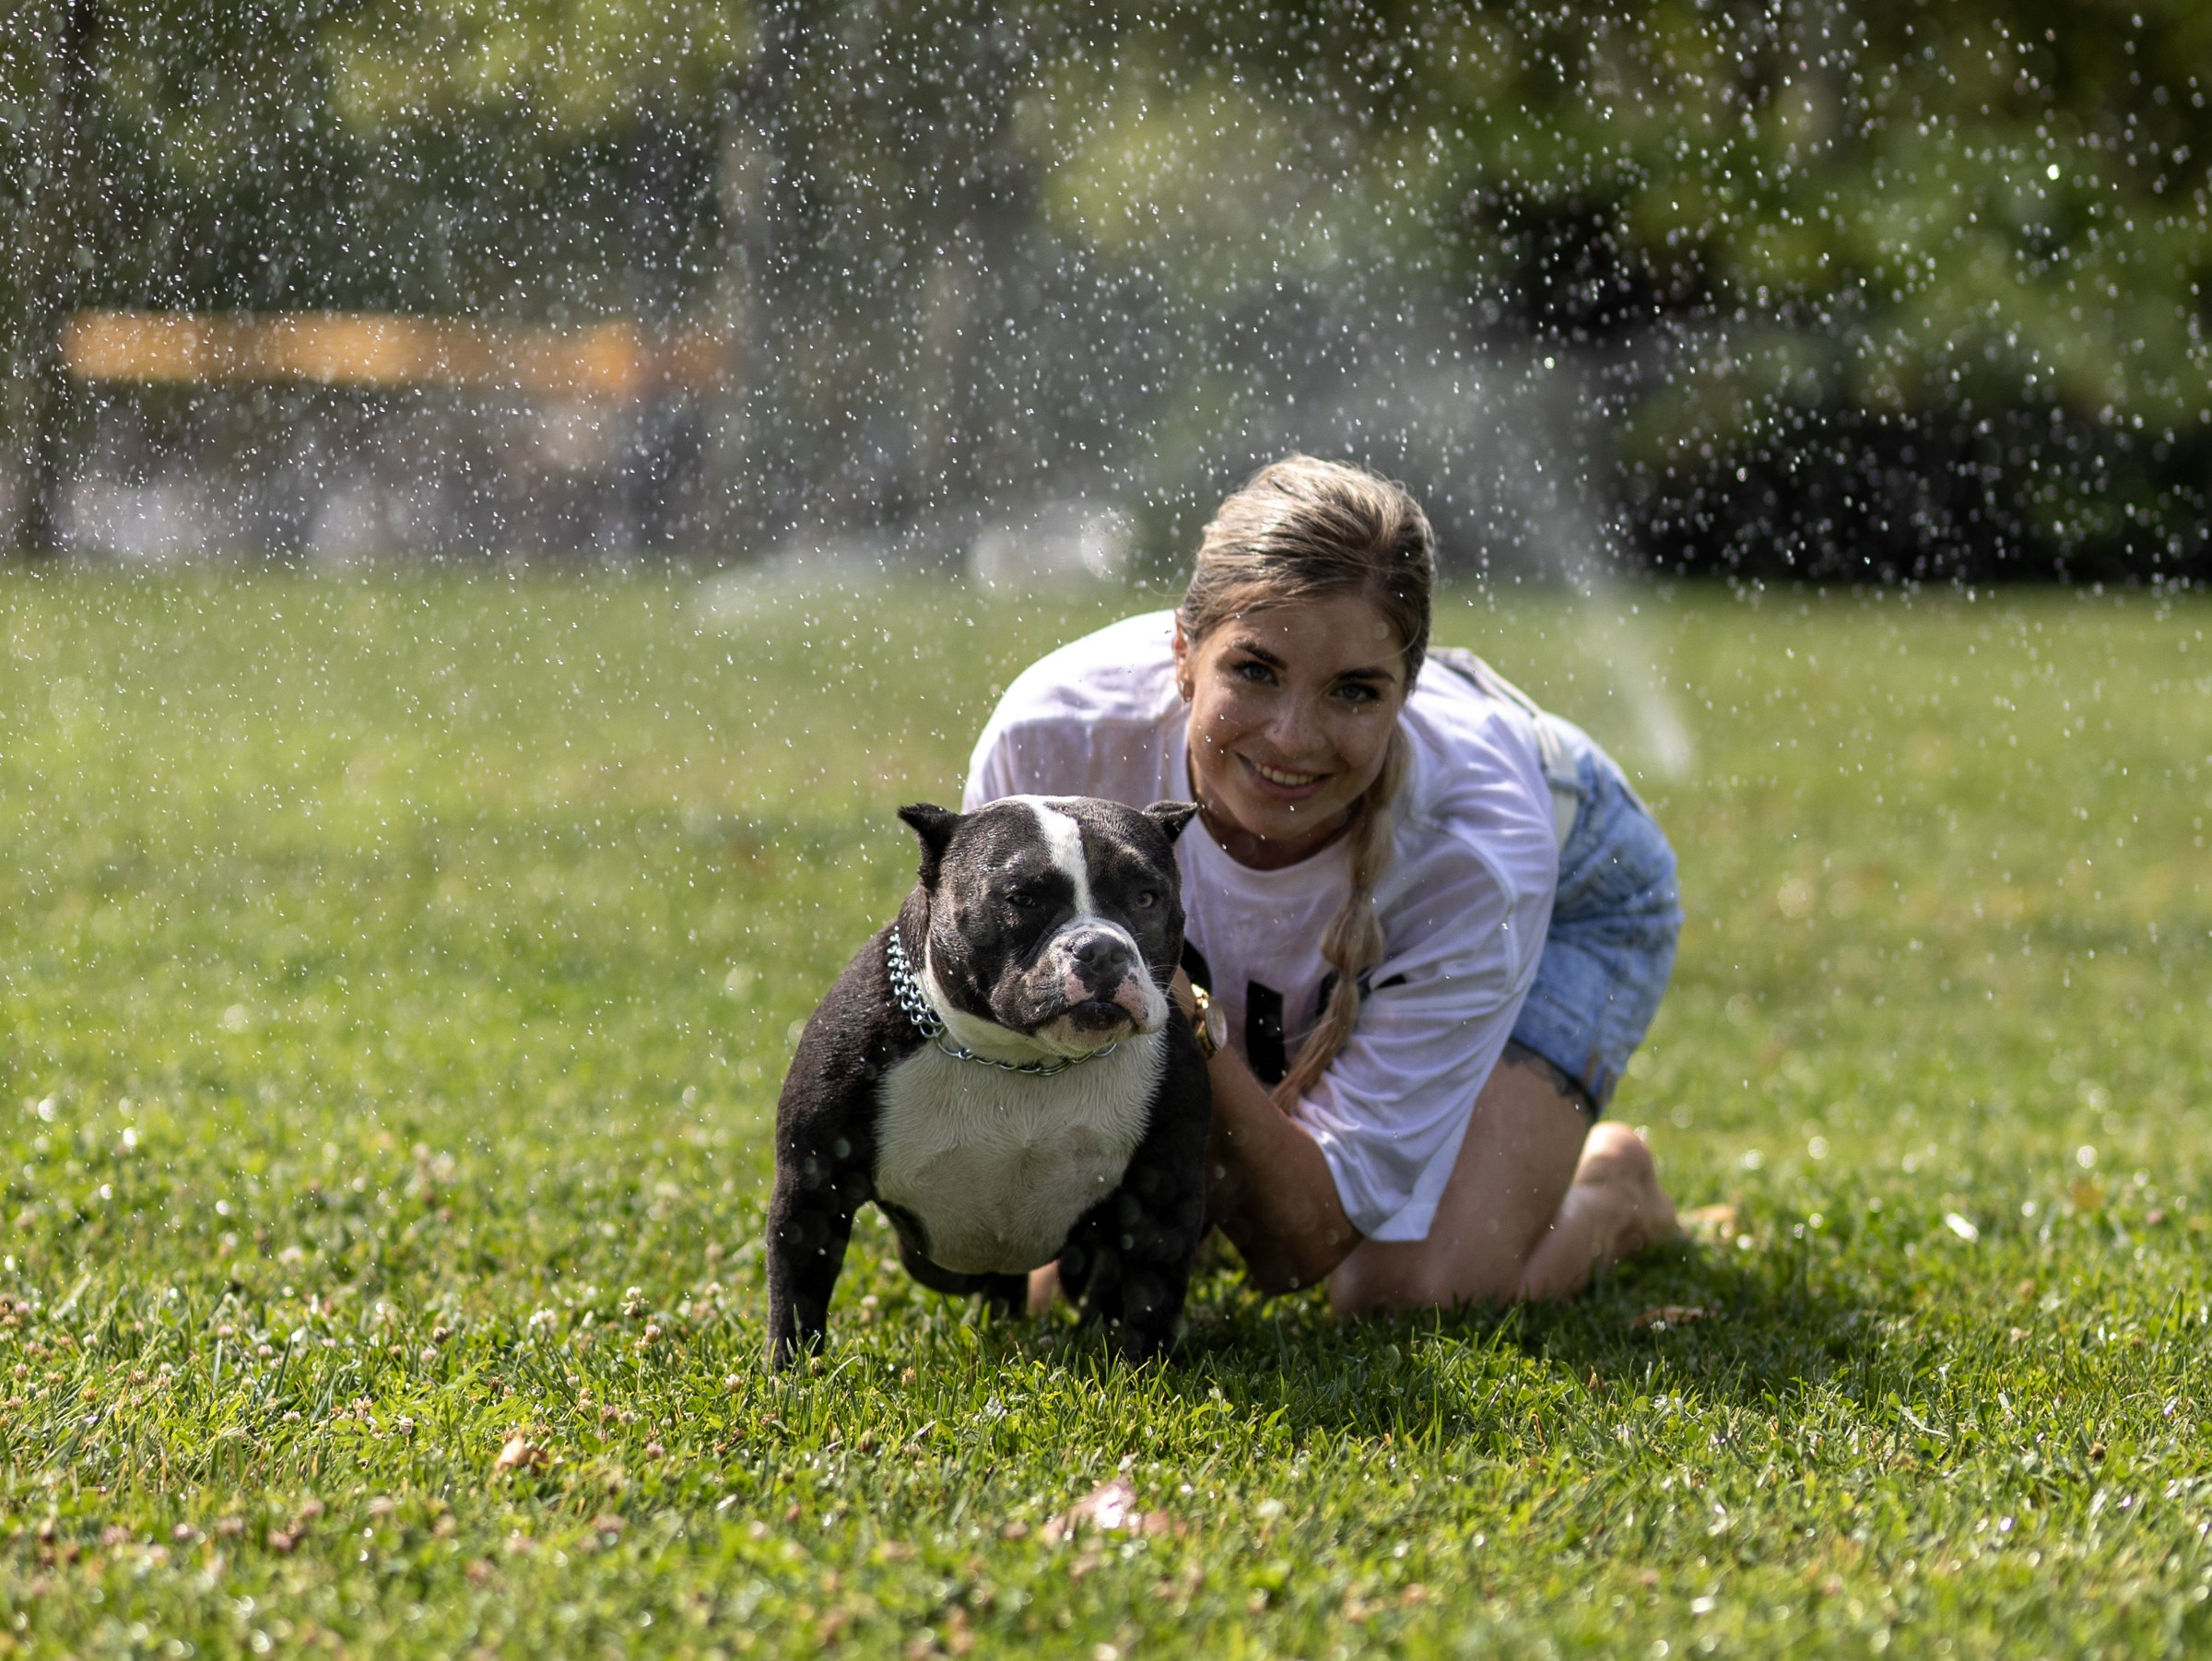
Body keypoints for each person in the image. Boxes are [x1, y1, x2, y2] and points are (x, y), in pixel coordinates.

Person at [963, 456, 1682, 1313]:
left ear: (1408, 694)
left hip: (1578, 889)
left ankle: (1613, 1195)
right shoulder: (1054, 748)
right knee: (1058, 1294)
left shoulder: (1476, 853)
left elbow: (1299, 1240)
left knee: (1403, 1291)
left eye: (1353, 692)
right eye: (1255, 672)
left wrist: (1176, 1012)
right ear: (1184, 652)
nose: (1293, 740)